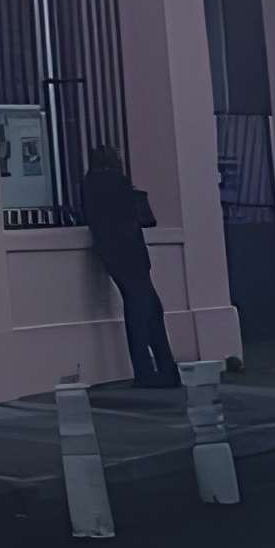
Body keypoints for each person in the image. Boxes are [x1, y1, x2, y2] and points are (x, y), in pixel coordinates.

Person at [79, 143, 177, 387]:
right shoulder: (117, 184)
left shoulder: (90, 184)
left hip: (114, 255)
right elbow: (135, 218)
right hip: (130, 255)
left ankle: (157, 369)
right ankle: (154, 369)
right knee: (147, 309)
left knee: (145, 308)